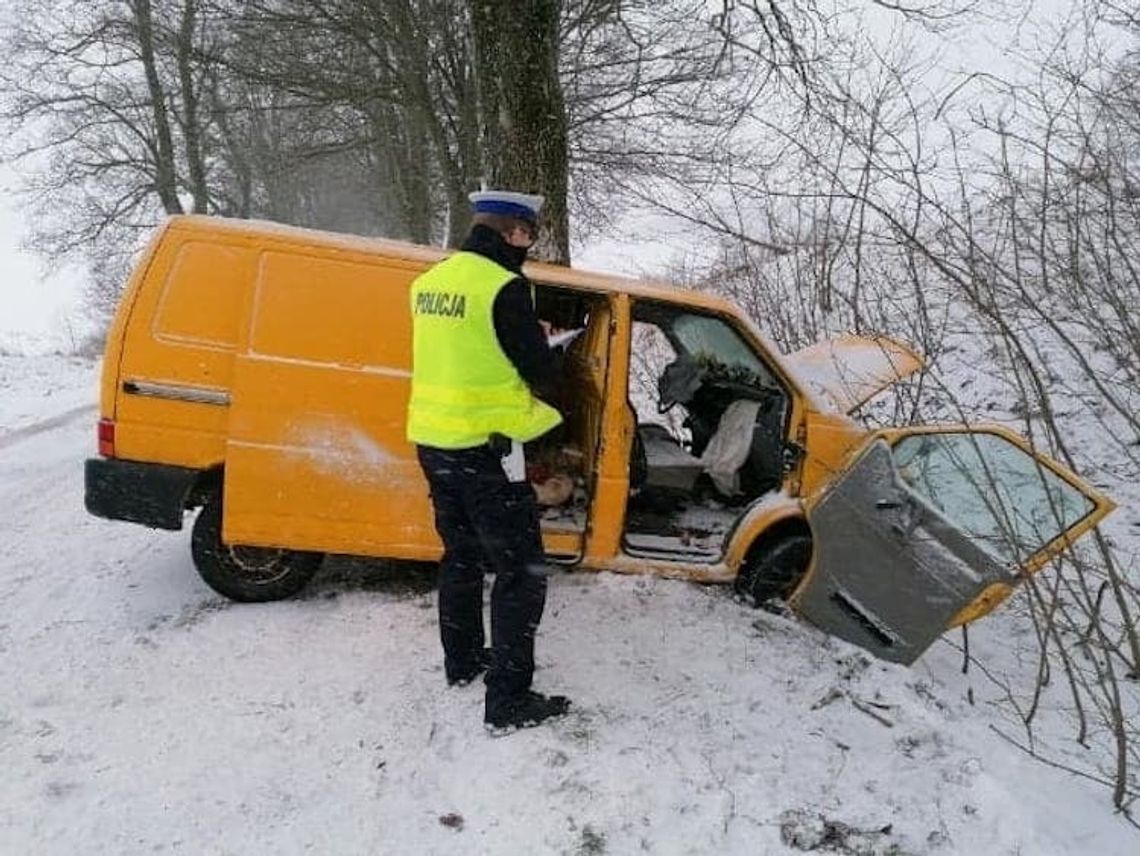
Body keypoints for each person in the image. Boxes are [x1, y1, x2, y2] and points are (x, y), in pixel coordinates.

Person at [407, 189, 571, 733]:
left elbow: (465, 353)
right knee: (521, 574)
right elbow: (538, 372)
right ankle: (508, 701)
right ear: (513, 232)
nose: (530, 244)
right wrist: (553, 351)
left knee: (460, 556)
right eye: (529, 235)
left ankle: (463, 662)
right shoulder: (505, 287)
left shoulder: (431, 283)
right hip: (489, 450)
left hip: (434, 442)